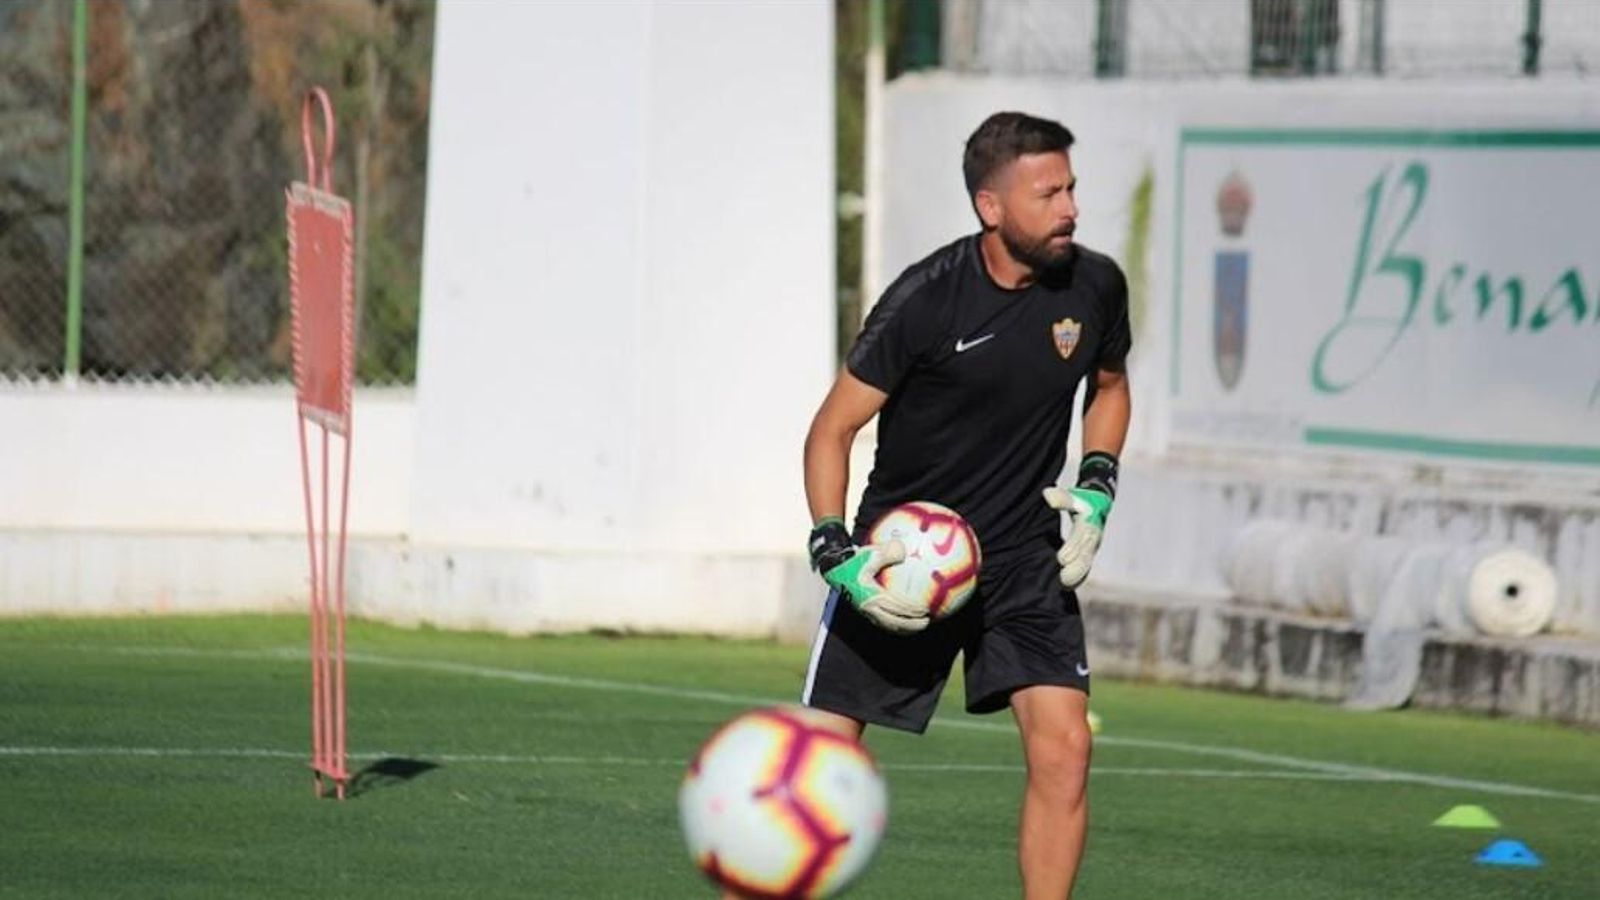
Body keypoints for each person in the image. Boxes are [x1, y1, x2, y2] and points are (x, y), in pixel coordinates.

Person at [800, 111, 1131, 899]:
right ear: (991, 207)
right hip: (905, 555)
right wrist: (835, 551)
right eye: (1047, 193)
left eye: (1072, 188)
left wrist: (1096, 483)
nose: (1070, 209)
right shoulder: (926, 298)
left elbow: (1111, 389)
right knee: (823, 762)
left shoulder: (1095, 285)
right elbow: (831, 430)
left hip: (1024, 558)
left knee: (1065, 750)